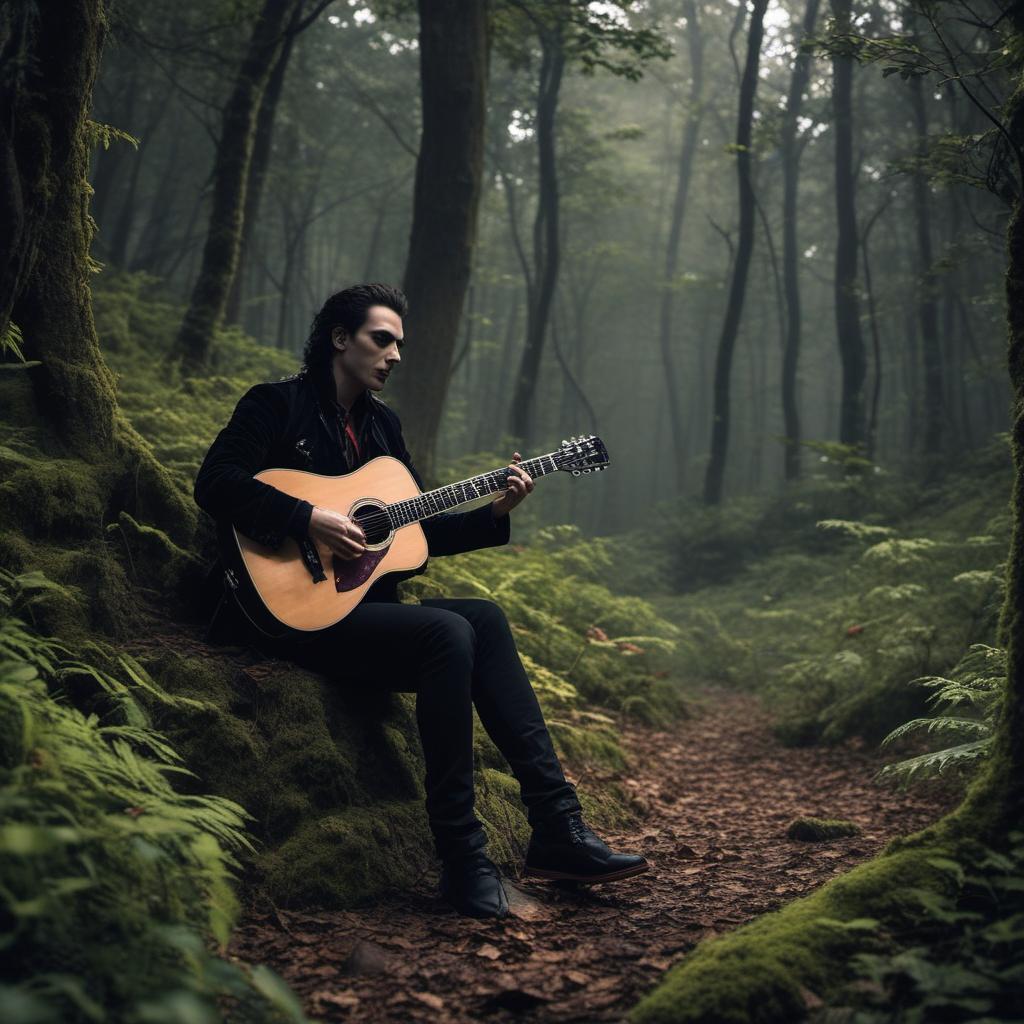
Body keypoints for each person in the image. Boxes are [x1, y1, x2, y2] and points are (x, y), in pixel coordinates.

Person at [193, 283, 648, 919]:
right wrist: (307, 518)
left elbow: (408, 535)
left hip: (355, 611)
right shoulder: (275, 405)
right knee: (446, 633)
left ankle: (557, 827)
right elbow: (215, 483)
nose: (395, 354)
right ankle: (464, 861)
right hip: (280, 611)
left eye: (401, 344)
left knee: (481, 619)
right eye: (383, 339)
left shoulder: (383, 429)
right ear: (340, 338)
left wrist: (494, 515)